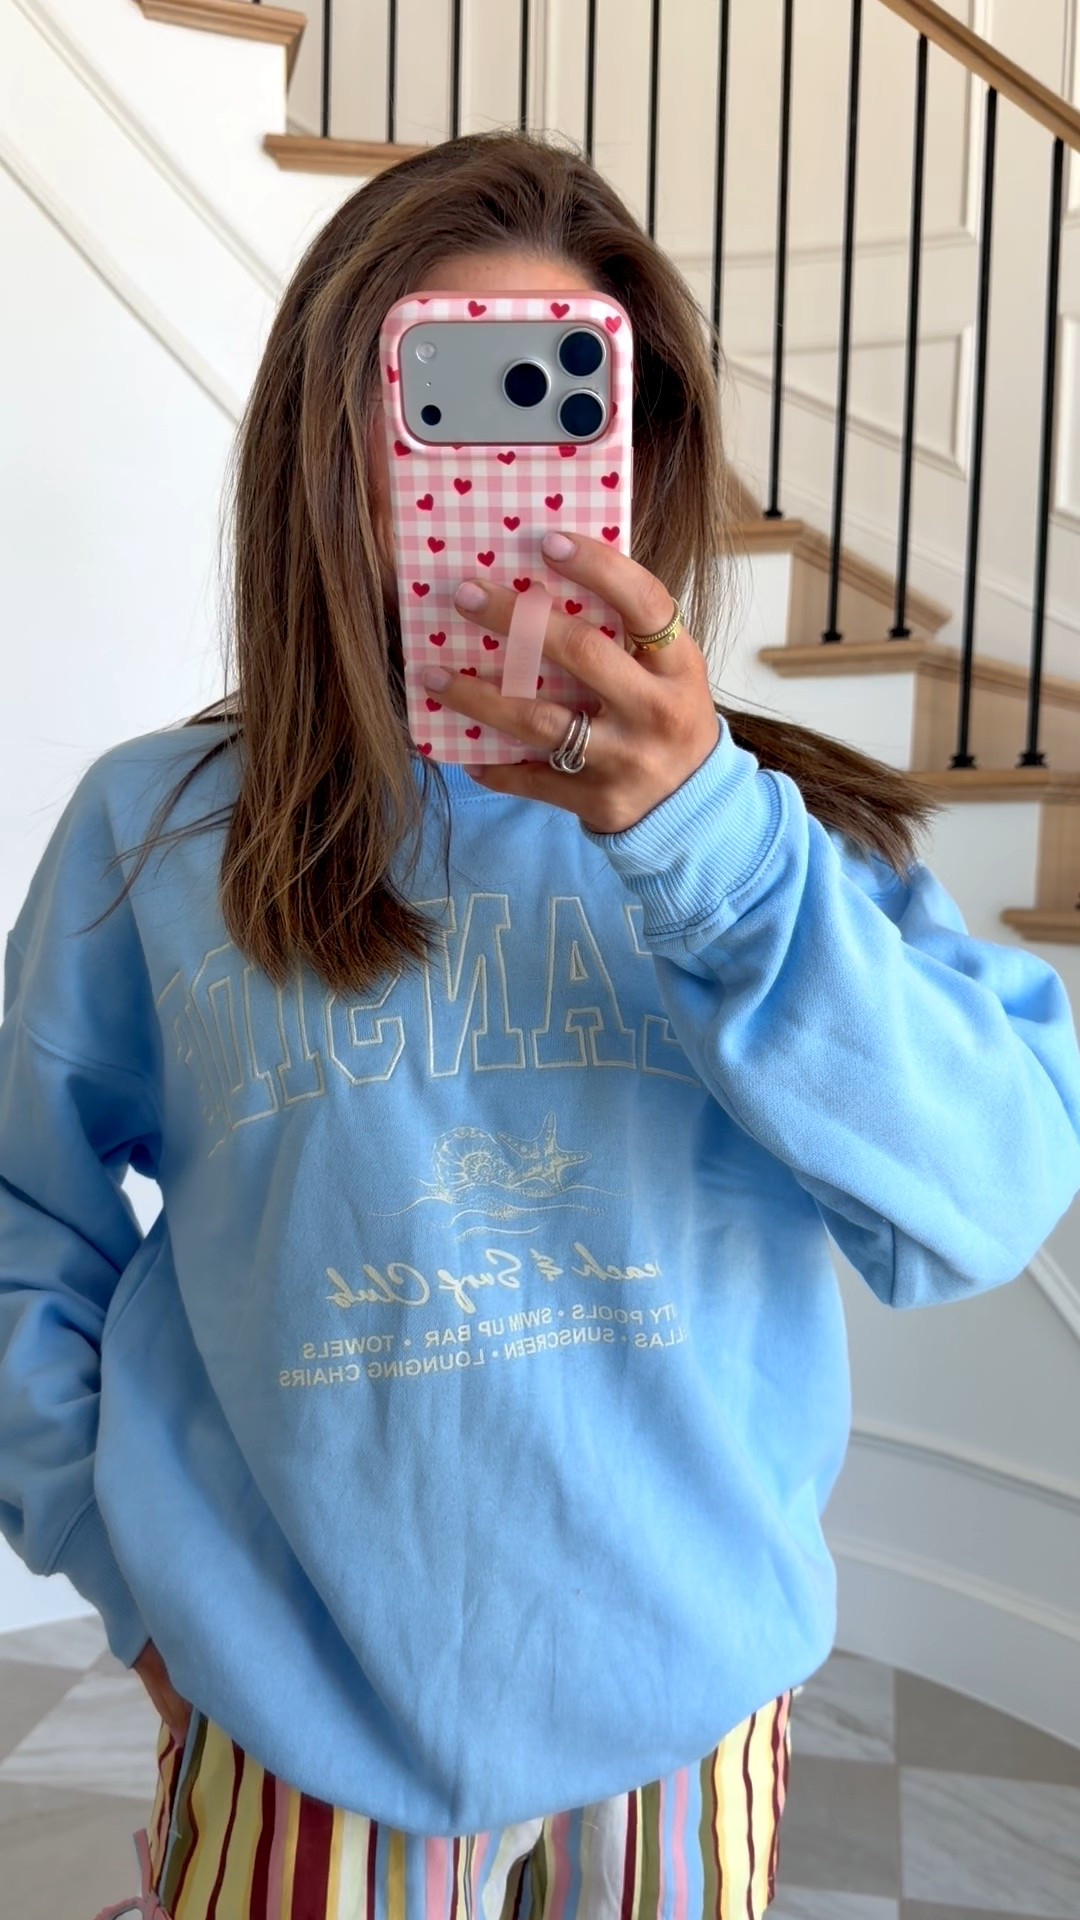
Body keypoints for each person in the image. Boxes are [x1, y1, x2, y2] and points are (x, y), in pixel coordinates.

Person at [2, 130, 1079, 1920]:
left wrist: (707, 845)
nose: (505, 469)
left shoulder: (781, 842)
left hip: (691, 1708)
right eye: (442, 398)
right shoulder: (158, 837)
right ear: (332, 441)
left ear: (640, 457)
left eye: (567, 405)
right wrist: (131, 1574)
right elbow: (21, 1220)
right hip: (290, 1705)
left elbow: (986, 1199)